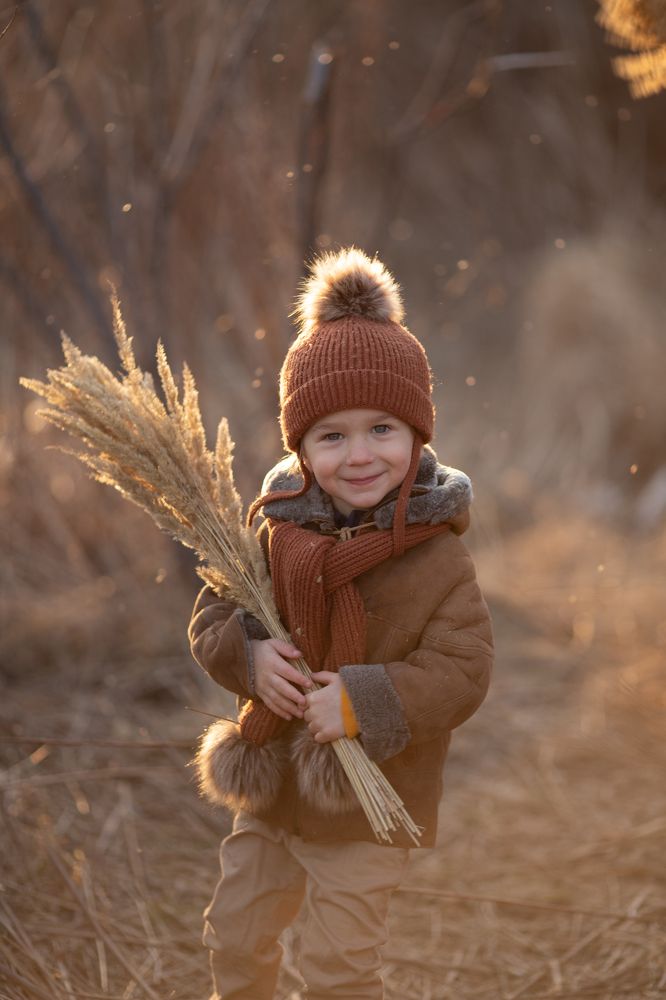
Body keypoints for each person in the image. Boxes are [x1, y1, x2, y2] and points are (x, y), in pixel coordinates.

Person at [188, 246, 494, 1000]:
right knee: (235, 934)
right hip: (272, 791)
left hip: (373, 802)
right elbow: (214, 613)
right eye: (332, 436)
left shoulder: (438, 557)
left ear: (419, 434)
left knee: (338, 969)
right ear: (301, 446)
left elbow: (462, 669)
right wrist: (250, 660)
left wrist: (363, 701)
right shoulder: (273, 529)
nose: (360, 456)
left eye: (382, 429)